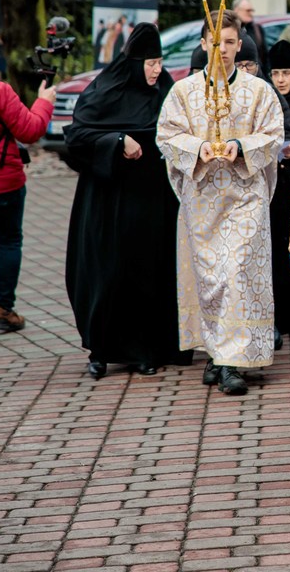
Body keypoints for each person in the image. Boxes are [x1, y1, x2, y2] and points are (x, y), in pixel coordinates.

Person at [156, 8, 285, 396]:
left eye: (229, 42)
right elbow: (166, 136)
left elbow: (274, 134)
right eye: (215, 43)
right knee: (209, 280)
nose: (223, 50)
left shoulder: (258, 89)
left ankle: (234, 363)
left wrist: (241, 146)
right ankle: (215, 352)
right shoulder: (183, 91)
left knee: (238, 274)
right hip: (202, 201)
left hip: (245, 197)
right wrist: (198, 149)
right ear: (202, 44)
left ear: (239, 44)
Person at [65, 24, 192, 377]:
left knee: (147, 271)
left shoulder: (165, 90)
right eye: (150, 63)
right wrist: (118, 140)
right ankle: (101, 349)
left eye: (159, 62)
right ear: (134, 63)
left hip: (152, 200)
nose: (155, 70)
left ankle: (144, 349)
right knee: (106, 271)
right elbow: (78, 136)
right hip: (107, 200)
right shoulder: (104, 91)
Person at [0, 34, 55, 341]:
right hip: (3, 182)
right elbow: (31, 130)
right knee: (9, 241)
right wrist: (44, 103)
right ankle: (3, 311)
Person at [241, 36, 290, 340]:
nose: (281, 79)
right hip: (269, 191)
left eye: (287, 73)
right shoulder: (266, 96)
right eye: (276, 73)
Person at [231, 0, 268, 72]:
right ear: (236, 10)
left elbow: (265, 56)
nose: (251, 13)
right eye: (248, 10)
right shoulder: (229, 31)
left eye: (252, 10)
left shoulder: (257, 29)